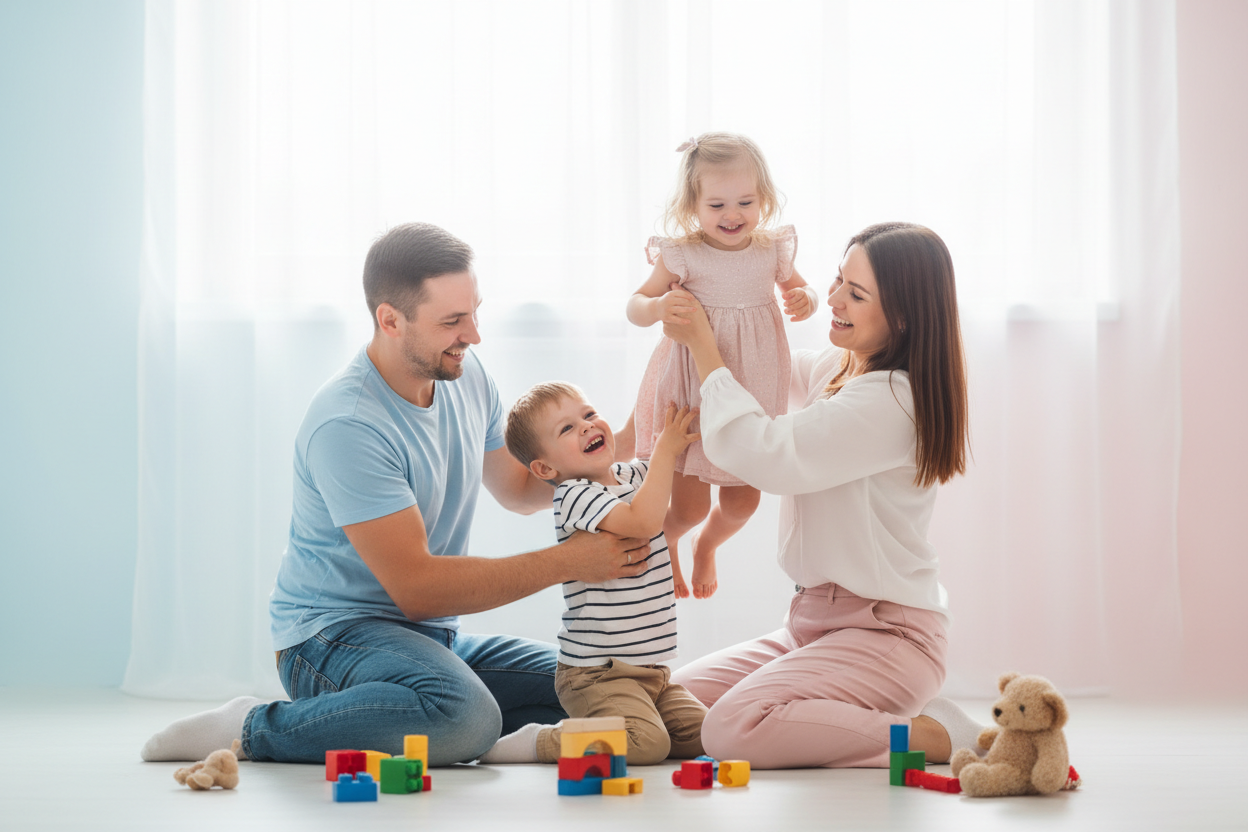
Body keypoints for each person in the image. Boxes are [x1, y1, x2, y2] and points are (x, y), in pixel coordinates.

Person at [140, 222, 650, 766]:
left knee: (600, 685)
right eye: (452, 321)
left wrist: (650, 411)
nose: (474, 335)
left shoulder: (464, 373)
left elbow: (522, 489)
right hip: (330, 639)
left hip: (429, 637)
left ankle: (462, 726)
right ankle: (251, 726)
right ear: (390, 320)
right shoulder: (348, 424)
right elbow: (419, 589)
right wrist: (572, 561)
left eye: (475, 312)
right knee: (466, 716)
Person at [661, 221, 988, 769]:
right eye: (838, 279)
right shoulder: (843, 367)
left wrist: (703, 346)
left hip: (888, 634)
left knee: (734, 728)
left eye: (855, 294)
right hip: (811, 625)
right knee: (672, 708)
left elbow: (764, 451)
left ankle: (934, 736)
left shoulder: (892, 400)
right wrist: (724, 293)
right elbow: (760, 373)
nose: (832, 299)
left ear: (903, 317)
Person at [626, 132, 818, 601]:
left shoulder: (771, 249)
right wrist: (656, 310)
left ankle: (706, 544)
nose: (732, 216)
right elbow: (636, 304)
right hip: (691, 385)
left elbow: (803, 288)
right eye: (716, 206)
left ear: (764, 200)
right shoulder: (683, 253)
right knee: (689, 507)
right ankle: (671, 537)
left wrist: (805, 299)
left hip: (751, 387)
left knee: (742, 502)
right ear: (692, 205)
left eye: (745, 202)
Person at [477, 383, 706, 765]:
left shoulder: (631, 477)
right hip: (598, 675)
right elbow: (643, 522)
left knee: (706, 736)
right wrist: (665, 449)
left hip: (652, 672)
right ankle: (542, 741)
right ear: (545, 468)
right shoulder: (573, 495)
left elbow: (680, 486)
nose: (586, 426)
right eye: (566, 429)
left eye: (587, 415)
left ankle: (630, 720)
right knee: (647, 745)